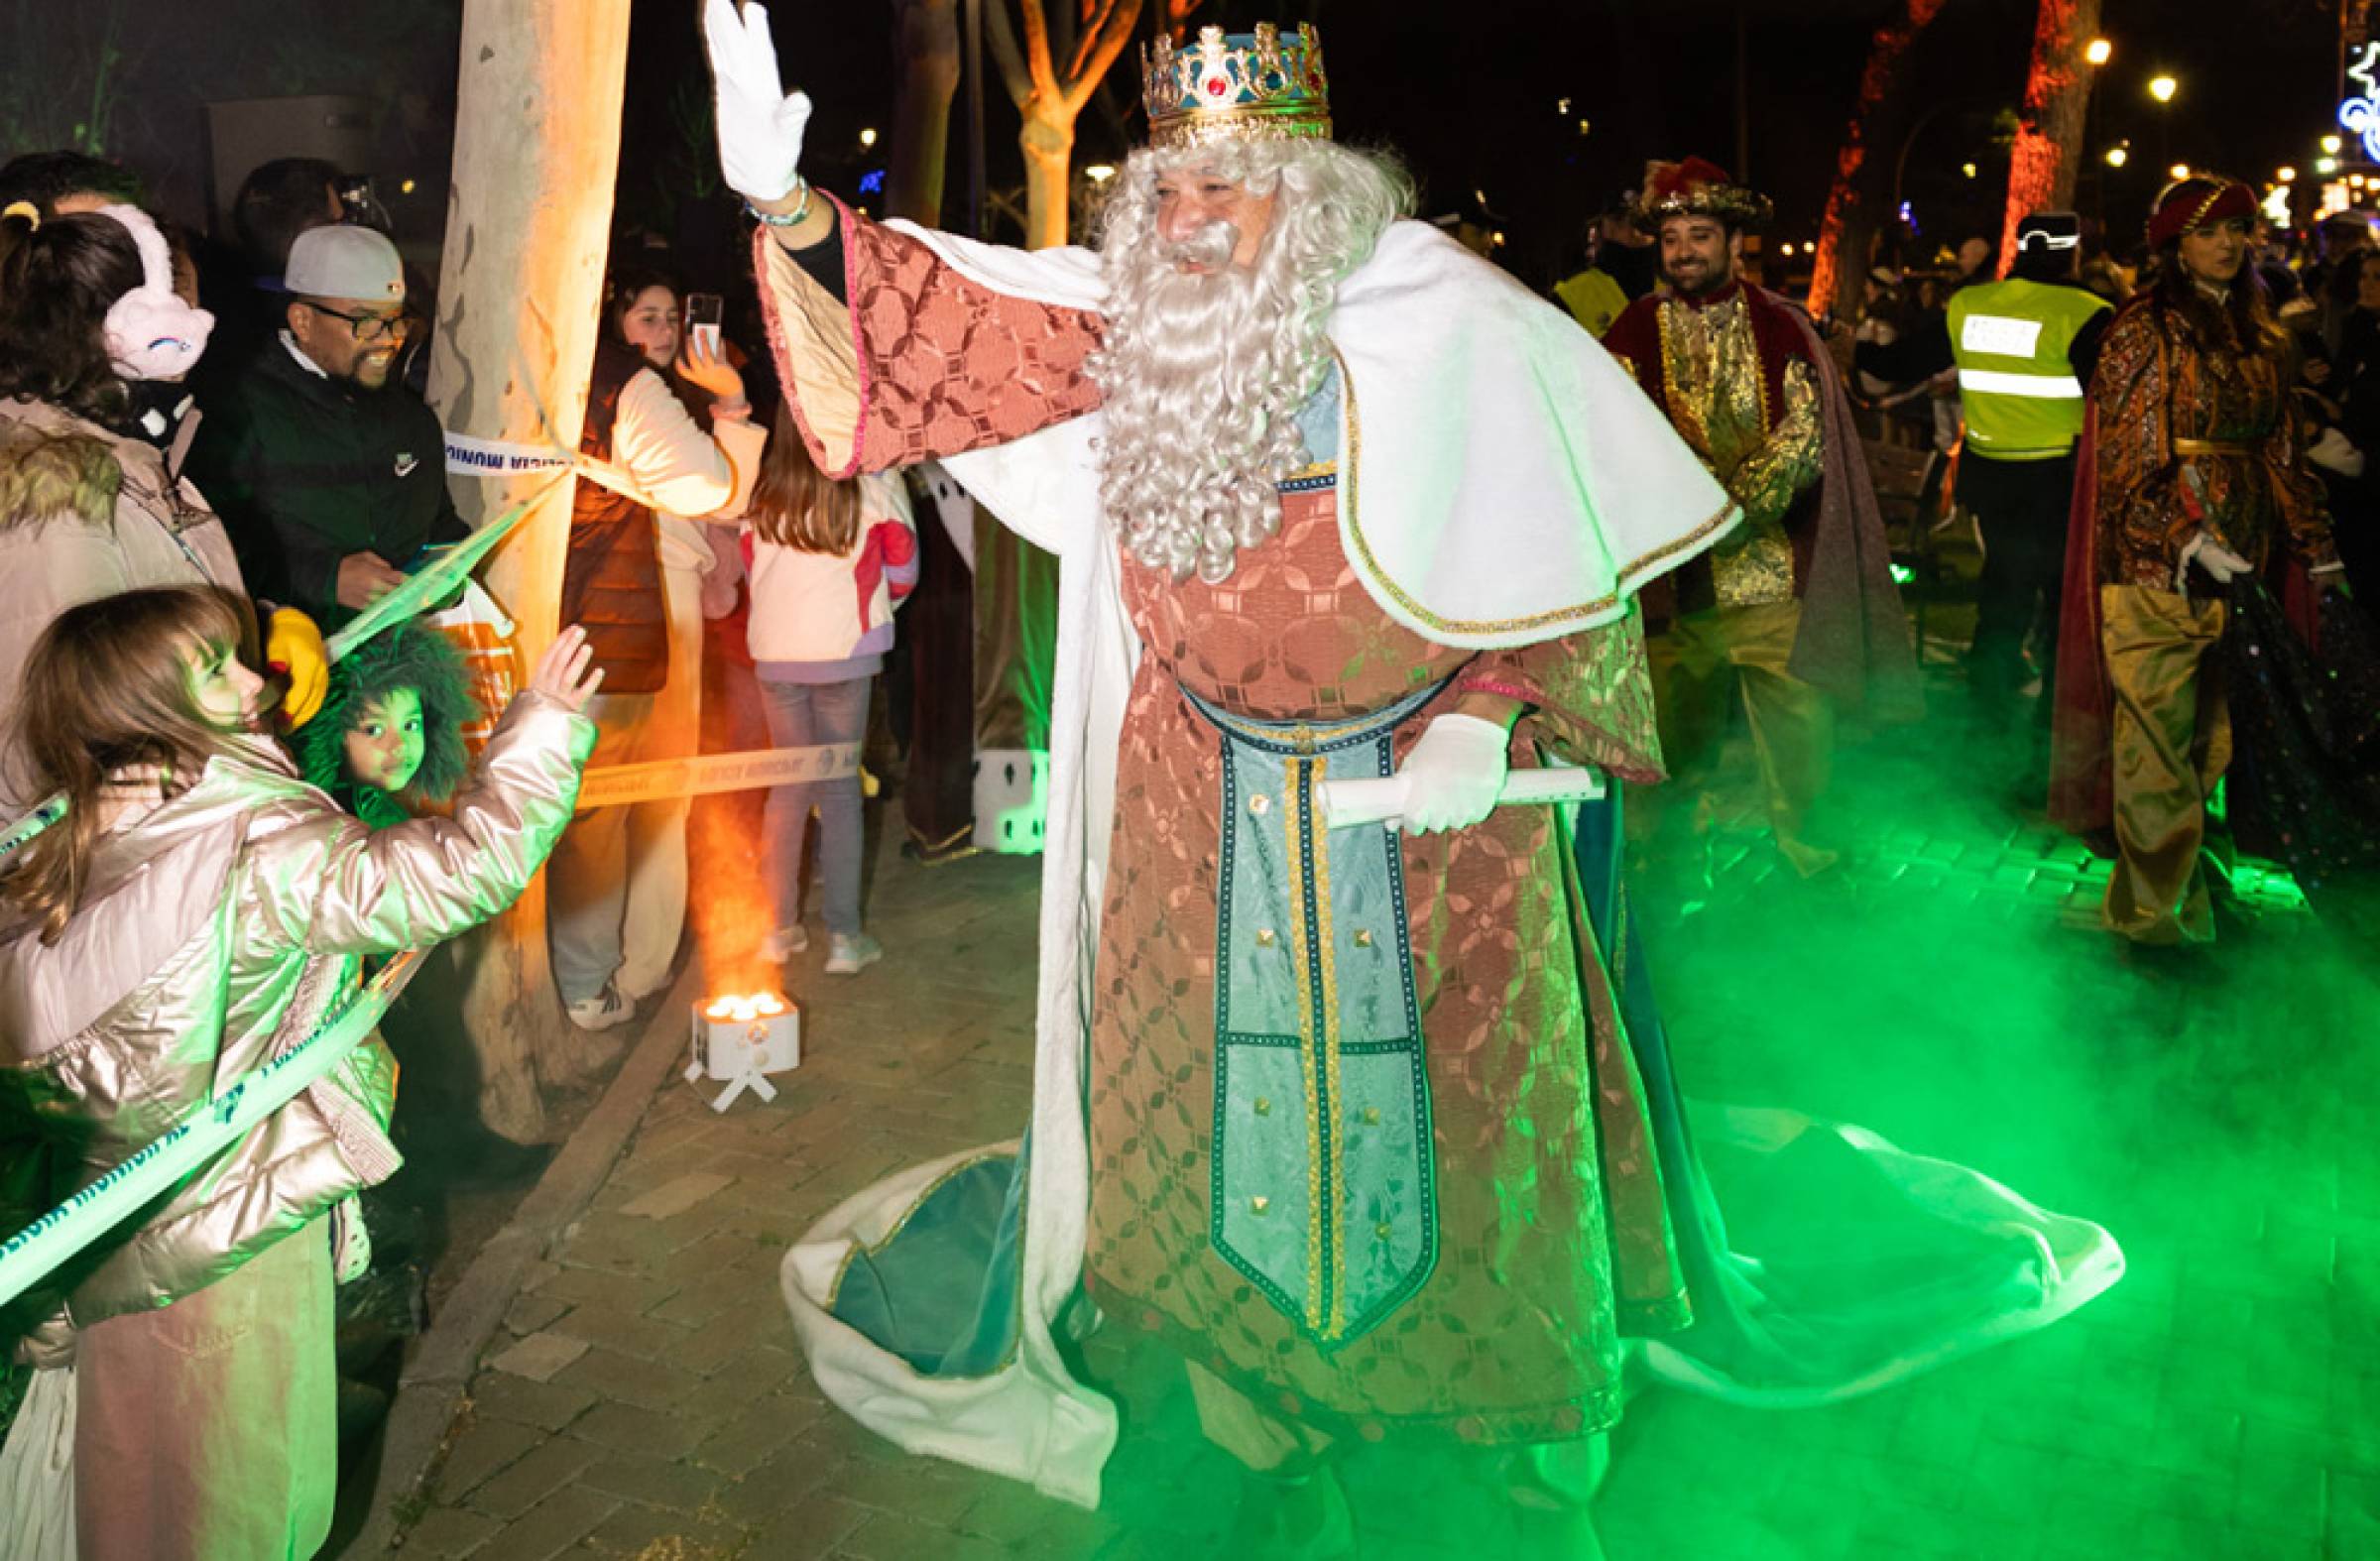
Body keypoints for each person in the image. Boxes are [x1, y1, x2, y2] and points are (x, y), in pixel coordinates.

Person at [0, 587, 599, 1561]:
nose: (255, 680)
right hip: (234, 1230)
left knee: (129, 1491)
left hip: (102, 1239)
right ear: (147, 708)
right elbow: (455, 872)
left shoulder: (63, 845)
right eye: (215, 669)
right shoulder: (248, 840)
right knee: (241, 1498)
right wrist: (542, 727)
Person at [2049, 176, 2346, 945]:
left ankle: (2197, 886)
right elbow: (2127, 459)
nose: (2227, 243)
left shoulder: (2261, 336)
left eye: (2239, 229)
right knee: (2154, 746)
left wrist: (2314, 549)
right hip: (2154, 573)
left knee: (2213, 740)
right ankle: (2153, 918)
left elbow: (2282, 455)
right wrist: (2186, 538)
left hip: (2245, 568)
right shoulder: (2141, 331)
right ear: (2175, 246)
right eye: (2209, 231)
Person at [1602, 157, 1920, 877]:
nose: (1684, 250)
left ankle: (1819, 883)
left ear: (1732, 240)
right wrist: (1681, 514)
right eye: (1673, 236)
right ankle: (1668, 885)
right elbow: (1610, 435)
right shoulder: (1630, 331)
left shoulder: (1781, 328)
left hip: (1770, 584)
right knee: (1667, 760)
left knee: (1805, 759)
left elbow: (1805, 436)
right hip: (1669, 593)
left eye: (1700, 234)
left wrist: (1728, 513)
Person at [0, 201, 324, 798]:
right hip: (123, 867)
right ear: (139, 326)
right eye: (187, 304)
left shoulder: (139, 463)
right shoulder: (60, 509)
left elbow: (151, 630)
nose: (202, 325)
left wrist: (259, 628)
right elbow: (47, 753)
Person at [545, 260, 767, 1030]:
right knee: (605, 799)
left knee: (666, 792)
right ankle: (592, 974)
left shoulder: (678, 402)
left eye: (674, 316)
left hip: (656, 603)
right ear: (613, 319)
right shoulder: (617, 392)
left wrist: (728, 402)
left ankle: (642, 962)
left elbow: (735, 500)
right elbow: (713, 490)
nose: (665, 331)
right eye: (648, 315)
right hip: (621, 603)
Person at [185, 223, 466, 629]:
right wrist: (325, 581)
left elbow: (441, 525)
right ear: (302, 320)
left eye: (395, 321)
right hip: (293, 663)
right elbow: (209, 550)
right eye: (365, 322)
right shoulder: (235, 411)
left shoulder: (411, 420)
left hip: (403, 659)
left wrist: (449, 570)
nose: (387, 339)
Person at [742, 402, 917, 975]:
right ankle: (844, 938)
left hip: (777, 656)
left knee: (788, 790)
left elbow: (750, 568)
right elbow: (904, 571)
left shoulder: (762, 492)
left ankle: (777, 930)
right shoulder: (874, 483)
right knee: (840, 791)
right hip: (846, 651)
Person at [1948, 210, 2112, 730]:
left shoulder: (1967, 303)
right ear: (2073, 253)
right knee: (2065, 605)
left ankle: (1985, 717)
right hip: (2059, 484)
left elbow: (1896, 362)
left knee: (2002, 598)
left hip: (1991, 480)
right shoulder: (2089, 311)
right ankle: (2052, 734)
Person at [296, 622, 481, 828]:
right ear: (331, 735)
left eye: (411, 725)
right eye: (374, 730)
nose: (400, 745)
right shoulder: (330, 823)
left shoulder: (382, 809)